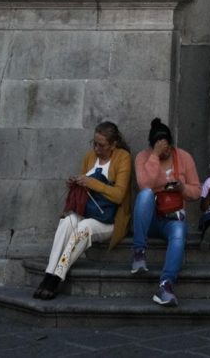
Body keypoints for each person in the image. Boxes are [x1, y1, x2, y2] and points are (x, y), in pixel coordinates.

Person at [35, 121, 131, 300]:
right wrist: (76, 183)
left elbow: (119, 195)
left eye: (101, 145)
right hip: (88, 211)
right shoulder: (89, 157)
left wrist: (91, 182)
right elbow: (85, 191)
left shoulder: (122, 157)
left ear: (113, 144)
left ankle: (57, 277)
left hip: (109, 220)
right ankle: (48, 274)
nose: (96, 148)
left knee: (83, 227)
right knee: (67, 222)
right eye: (93, 143)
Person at [128, 119, 200, 306]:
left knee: (179, 232)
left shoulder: (183, 157)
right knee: (144, 194)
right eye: (160, 148)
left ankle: (165, 286)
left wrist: (182, 188)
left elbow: (197, 192)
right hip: (150, 219)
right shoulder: (143, 157)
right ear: (152, 146)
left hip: (173, 217)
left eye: (166, 148)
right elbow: (145, 184)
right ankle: (139, 252)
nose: (165, 152)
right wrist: (155, 156)